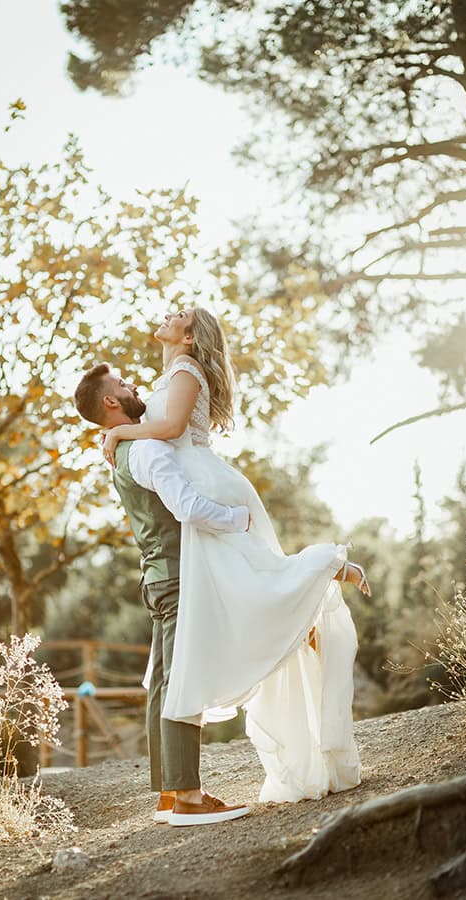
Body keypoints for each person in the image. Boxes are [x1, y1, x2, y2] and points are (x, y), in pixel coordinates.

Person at [100, 307, 371, 804]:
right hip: (196, 488)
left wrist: (120, 432)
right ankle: (309, 595)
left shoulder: (184, 371)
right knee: (250, 585)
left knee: (260, 579)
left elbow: (172, 426)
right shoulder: (171, 374)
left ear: (188, 335)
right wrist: (123, 433)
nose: (166, 315)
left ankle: (326, 571)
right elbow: (164, 429)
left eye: (177, 314)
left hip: (209, 486)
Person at [74, 365, 252, 826]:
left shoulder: (125, 449)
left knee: (164, 684)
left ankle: (169, 796)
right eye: (123, 385)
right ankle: (188, 796)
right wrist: (239, 518)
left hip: (156, 576)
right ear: (111, 403)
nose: (132, 386)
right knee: (179, 681)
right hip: (175, 575)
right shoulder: (148, 448)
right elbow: (189, 507)